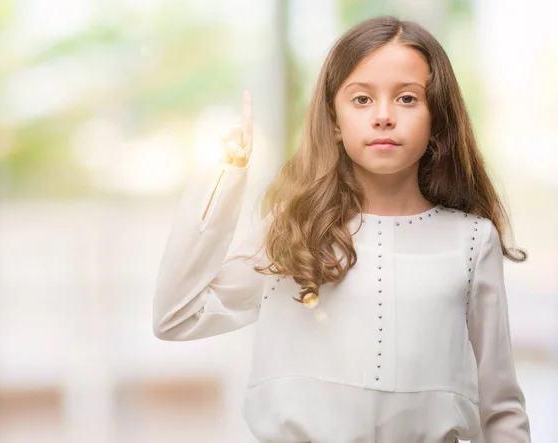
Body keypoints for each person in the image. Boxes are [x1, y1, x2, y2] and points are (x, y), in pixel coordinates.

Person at [153, 16, 531, 443]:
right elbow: (177, 317)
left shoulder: (471, 241)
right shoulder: (291, 233)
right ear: (333, 120)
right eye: (362, 99)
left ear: (436, 120)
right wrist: (224, 177)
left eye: (407, 98)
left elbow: (501, 410)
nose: (384, 116)